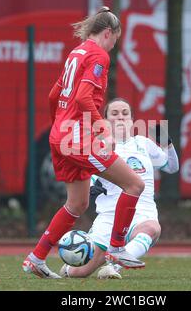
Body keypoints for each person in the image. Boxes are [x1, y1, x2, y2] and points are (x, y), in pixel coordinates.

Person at [22, 7, 147, 279]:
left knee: (77, 204)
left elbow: (54, 95)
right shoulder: (98, 54)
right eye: (116, 38)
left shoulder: (76, 53)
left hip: (61, 135)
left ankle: (36, 258)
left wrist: (60, 124)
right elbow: (82, 98)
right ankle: (116, 248)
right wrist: (100, 125)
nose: (114, 45)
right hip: (77, 138)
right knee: (135, 183)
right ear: (108, 33)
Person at [59, 98, 179, 279]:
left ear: (132, 119)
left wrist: (168, 145)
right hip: (109, 216)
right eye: (114, 114)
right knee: (80, 272)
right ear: (105, 121)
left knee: (152, 228)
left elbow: (172, 167)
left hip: (142, 212)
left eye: (125, 113)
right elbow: (85, 176)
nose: (121, 117)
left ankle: (114, 265)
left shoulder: (144, 143)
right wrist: (92, 185)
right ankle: (69, 269)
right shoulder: (97, 146)